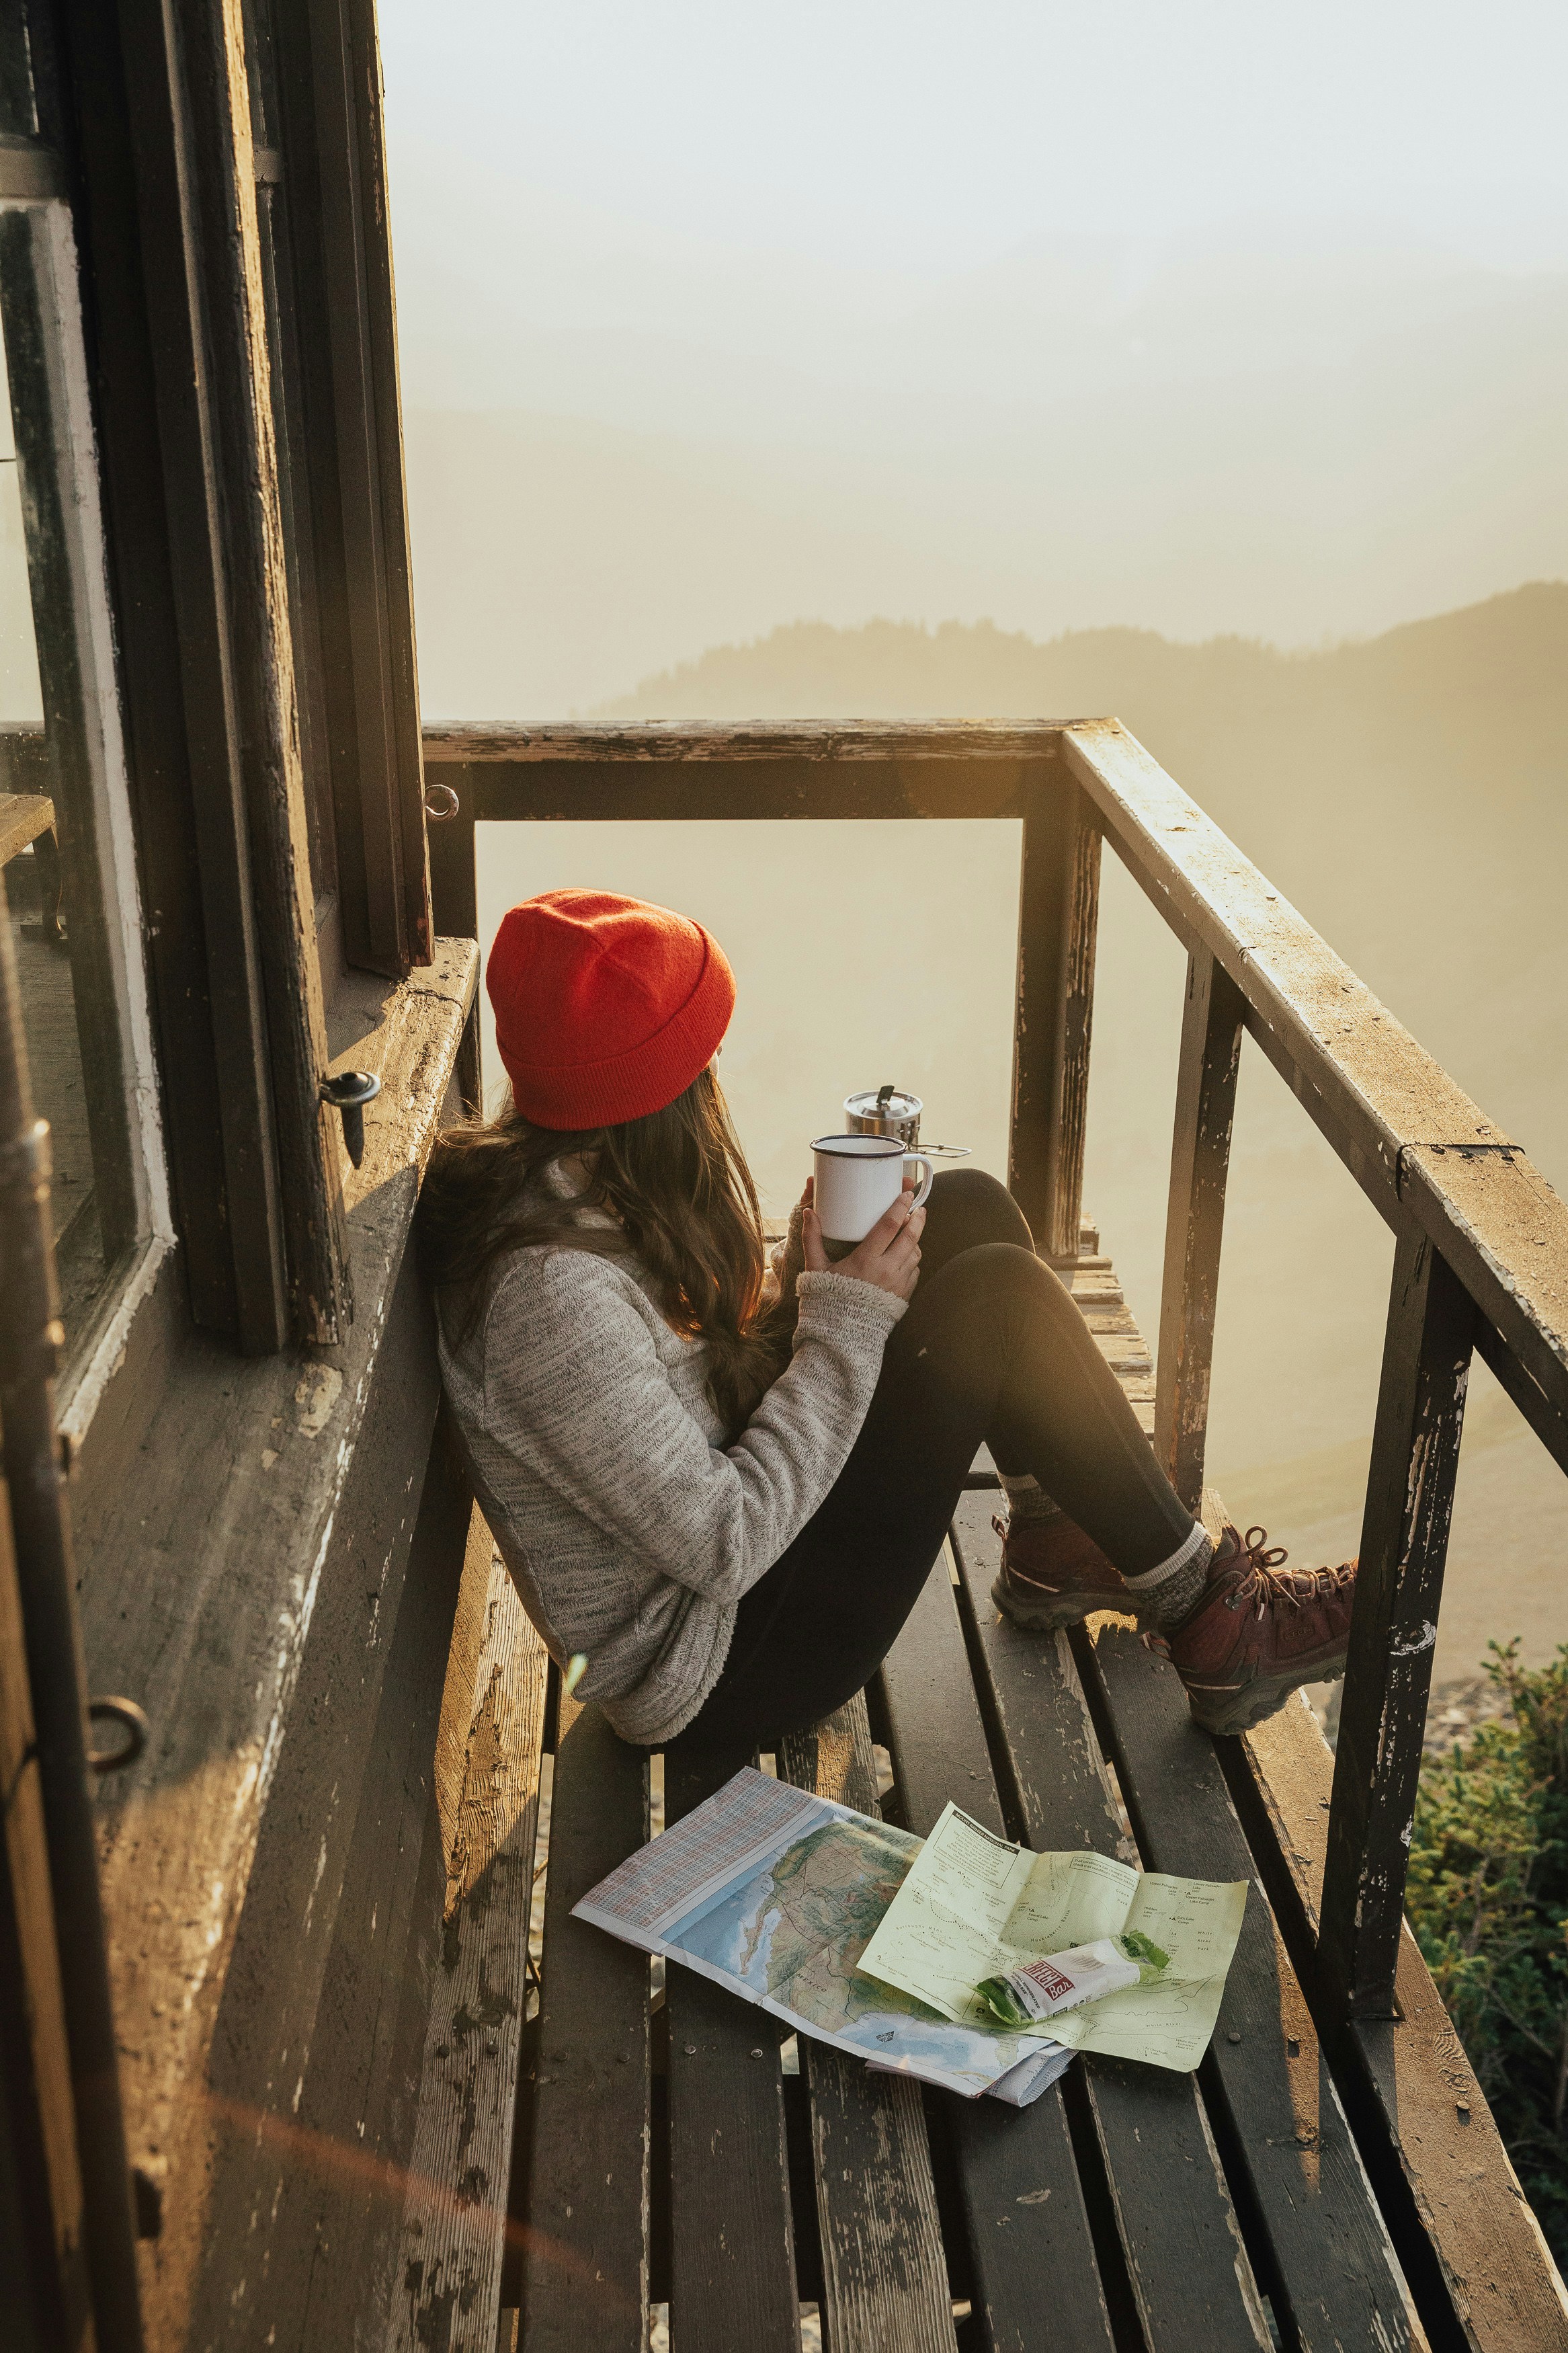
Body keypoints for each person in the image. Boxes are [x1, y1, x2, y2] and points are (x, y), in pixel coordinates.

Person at [423, 887, 1356, 1754]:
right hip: (720, 1667)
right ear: (658, 1092)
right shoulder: (545, 1301)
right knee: (993, 1298)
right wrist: (840, 1321)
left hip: (744, 1580)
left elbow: (673, 1404)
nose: (714, 1069)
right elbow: (723, 1538)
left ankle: (1051, 1536)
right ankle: (1215, 1623)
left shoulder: (574, 1184)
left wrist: (803, 1285)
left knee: (963, 1207)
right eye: (699, 1051)